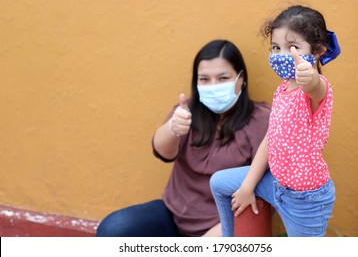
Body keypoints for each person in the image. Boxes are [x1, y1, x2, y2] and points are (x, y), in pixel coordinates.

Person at [96, 39, 271, 237]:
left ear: (241, 79)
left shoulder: (260, 119)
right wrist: (172, 128)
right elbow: (163, 151)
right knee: (114, 228)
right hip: (174, 216)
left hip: (226, 224)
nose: (213, 86)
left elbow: (269, 186)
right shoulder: (186, 111)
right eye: (204, 79)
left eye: (223, 78)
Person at [210, 5, 341, 237]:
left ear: (318, 51)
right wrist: (247, 186)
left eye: (292, 47)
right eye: (276, 47)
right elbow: (271, 139)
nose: (281, 55)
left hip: (305, 201)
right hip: (275, 183)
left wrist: (309, 77)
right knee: (219, 183)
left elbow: (314, 86)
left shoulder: (317, 88)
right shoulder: (282, 89)